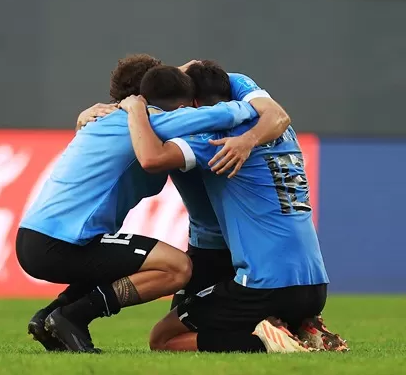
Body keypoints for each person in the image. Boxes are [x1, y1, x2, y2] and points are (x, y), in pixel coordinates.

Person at [17, 54, 265, 353]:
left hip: (38, 239)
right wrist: (255, 101)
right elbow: (221, 115)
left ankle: (49, 317)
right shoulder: (151, 121)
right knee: (175, 268)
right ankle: (71, 317)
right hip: (59, 244)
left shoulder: (104, 120)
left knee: (122, 262)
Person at [124, 62, 345, 353]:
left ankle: (271, 343)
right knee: (211, 316)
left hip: (264, 285)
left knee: (163, 339)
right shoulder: (281, 128)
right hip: (315, 286)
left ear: (193, 104)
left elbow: (151, 157)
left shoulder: (214, 138)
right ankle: (300, 326)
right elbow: (272, 110)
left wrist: (135, 108)